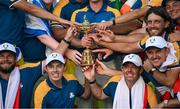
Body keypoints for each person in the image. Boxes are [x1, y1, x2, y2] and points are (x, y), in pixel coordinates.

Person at [0, 26, 74, 108]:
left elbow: (52, 59)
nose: (5, 59)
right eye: (1, 56)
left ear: (15, 58)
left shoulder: (26, 72)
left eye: (9, 56)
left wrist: (67, 39)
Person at [83, 54, 157, 108]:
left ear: (140, 70)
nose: (129, 70)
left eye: (133, 66)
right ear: (122, 68)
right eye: (126, 66)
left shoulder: (147, 90)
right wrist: (91, 79)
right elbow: (100, 95)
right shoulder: (115, 82)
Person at [0, 0, 72, 47]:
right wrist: (59, 19)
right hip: (3, 44)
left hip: (15, 46)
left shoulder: (57, 6)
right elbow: (31, 8)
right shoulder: (32, 4)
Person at [142, 36, 180, 108]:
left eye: (158, 51)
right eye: (150, 52)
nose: (154, 56)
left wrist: (163, 104)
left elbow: (169, 82)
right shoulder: (148, 66)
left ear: (167, 51)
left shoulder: (175, 67)